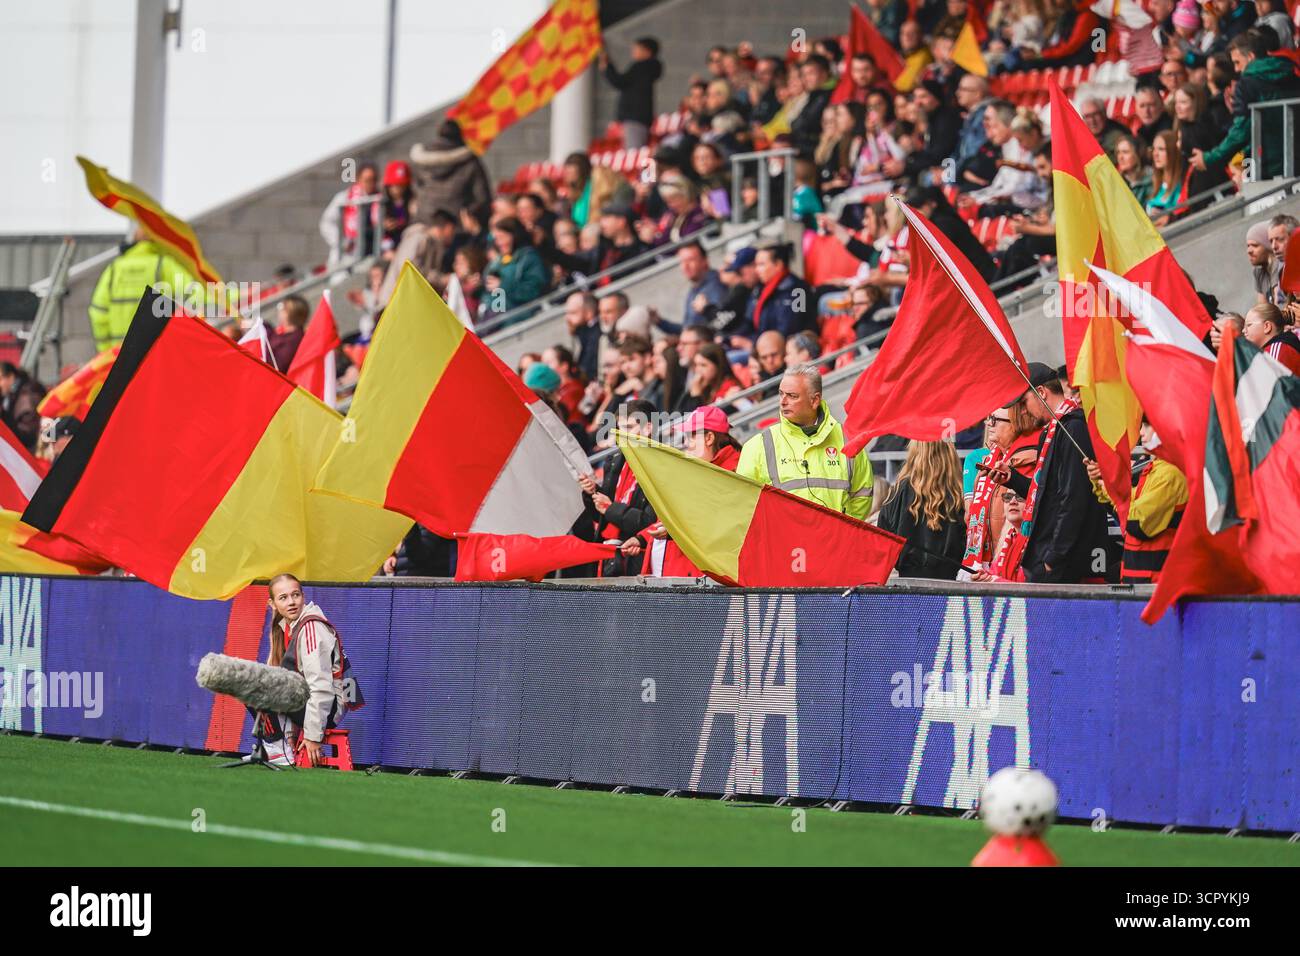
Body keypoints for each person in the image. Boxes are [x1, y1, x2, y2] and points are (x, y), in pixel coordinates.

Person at [987, 364, 1117, 584]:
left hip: (1066, 564)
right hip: (1051, 557)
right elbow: (1049, 494)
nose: (1024, 411)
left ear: (1042, 392)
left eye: (1024, 403)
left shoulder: (1072, 428)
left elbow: (1074, 498)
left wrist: (1054, 556)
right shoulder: (1052, 430)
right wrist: (1014, 479)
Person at [736, 364, 874, 518]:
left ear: (814, 400)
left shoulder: (848, 440)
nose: (783, 401)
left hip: (834, 541)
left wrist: (841, 533)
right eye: (781, 394)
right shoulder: (757, 445)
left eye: (792, 396)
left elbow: (863, 495)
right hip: (784, 541)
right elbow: (745, 503)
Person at [255, 573, 357, 768]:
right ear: (273, 603)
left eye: (296, 595)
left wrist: (312, 736)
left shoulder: (311, 627)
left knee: (254, 684)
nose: (291, 602)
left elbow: (320, 687)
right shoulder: (286, 628)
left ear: (303, 596)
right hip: (315, 703)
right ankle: (281, 746)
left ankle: (279, 748)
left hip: (329, 708)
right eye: (283, 598)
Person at [639, 405, 744, 578]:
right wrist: (640, 538)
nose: (686, 443)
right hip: (679, 577)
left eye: (691, 436)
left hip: (705, 581)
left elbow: (719, 523)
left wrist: (675, 529)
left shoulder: (734, 471)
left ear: (709, 438)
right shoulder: (698, 470)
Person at [1087, 419, 1188, 584]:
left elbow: (1136, 522)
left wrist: (1109, 491)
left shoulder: (1169, 474)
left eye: (1147, 426)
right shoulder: (1156, 470)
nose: (1141, 432)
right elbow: (1125, 503)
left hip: (1155, 586)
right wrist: (1101, 481)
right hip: (1142, 583)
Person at [1192, 30, 1300, 182]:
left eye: (1237, 62)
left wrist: (1210, 158)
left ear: (1250, 57)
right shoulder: (1292, 73)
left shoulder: (1247, 83)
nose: (1236, 70)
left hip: (1271, 170)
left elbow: (1241, 131)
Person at [88, 229, 206, 351]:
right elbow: (196, 293)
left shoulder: (114, 269)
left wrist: (105, 351)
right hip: (155, 353)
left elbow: (98, 314)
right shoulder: (164, 265)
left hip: (119, 355)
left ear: (134, 240)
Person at [577, 399, 658, 576]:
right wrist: (592, 493)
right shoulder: (614, 460)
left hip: (637, 558)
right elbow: (600, 517)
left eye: (629, 428)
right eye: (620, 429)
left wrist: (610, 508)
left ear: (648, 428)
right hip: (606, 553)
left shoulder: (661, 467)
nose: (623, 435)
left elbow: (650, 521)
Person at [878, 440, 967, 579]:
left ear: (914, 452)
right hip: (949, 583)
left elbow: (883, 538)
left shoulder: (899, 491)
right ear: (949, 454)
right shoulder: (959, 494)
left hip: (909, 582)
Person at [409, 119, 492, 228]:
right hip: (457, 227)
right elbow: (482, 198)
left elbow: (415, 188)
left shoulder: (421, 160)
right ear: (459, 135)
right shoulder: (469, 161)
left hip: (424, 222)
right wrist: (469, 214)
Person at [599, 37, 663, 150]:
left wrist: (607, 66)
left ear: (647, 51)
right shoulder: (648, 68)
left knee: (633, 153)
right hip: (639, 119)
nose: (633, 52)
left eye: (637, 49)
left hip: (635, 118)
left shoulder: (641, 67)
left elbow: (619, 81)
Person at [482, 217, 548, 321]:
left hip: (527, 318)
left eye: (503, 237)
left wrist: (503, 285)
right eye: (497, 239)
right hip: (503, 322)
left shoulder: (529, 258)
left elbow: (533, 291)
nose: (499, 243)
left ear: (514, 235)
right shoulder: (495, 265)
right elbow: (493, 301)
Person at [746, 244, 816, 338]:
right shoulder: (761, 289)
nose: (756, 270)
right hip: (764, 344)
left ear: (778, 265)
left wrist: (755, 345)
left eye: (761, 264)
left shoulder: (799, 290)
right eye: (756, 265)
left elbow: (795, 328)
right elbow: (749, 321)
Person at [1243, 303, 1300, 373]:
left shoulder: (1277, 351)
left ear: (1267, 326)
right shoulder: (1278, 347)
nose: (1243, 330)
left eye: (1249, 325)